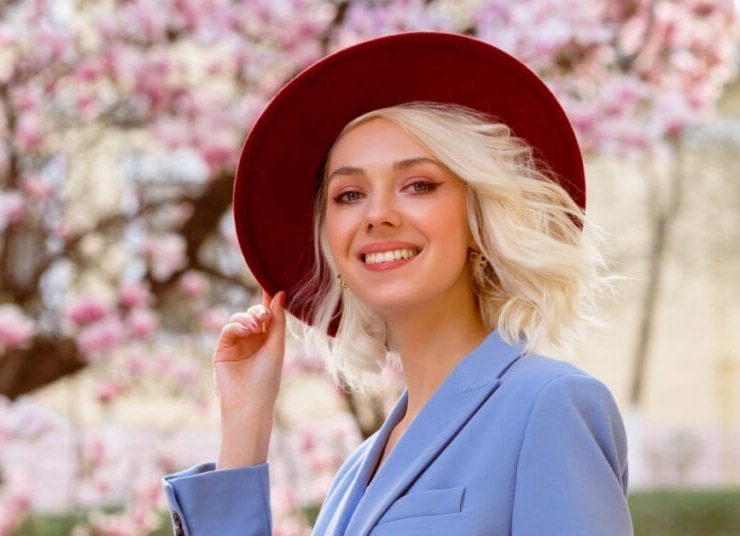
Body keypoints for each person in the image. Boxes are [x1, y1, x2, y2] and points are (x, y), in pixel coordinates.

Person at [162, 31, 632, 536]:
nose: (378, 215)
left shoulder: (551, 406)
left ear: (480, 218)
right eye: (349, 195)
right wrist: (245, 427)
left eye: (418, 185)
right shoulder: (353, 478)